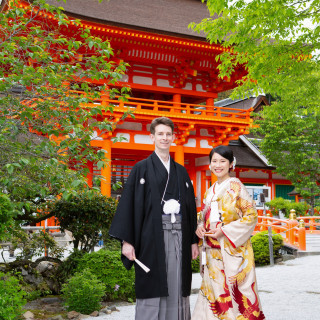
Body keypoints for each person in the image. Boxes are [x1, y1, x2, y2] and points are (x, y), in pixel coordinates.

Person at [109, 117, 199, 320]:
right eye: (160, 134)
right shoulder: (141, 168)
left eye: (168, 134)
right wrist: (127, 241)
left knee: (177, 282)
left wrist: (194, 241)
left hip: (180, 236)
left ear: (174, 137)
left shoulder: (181, 172)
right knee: (151, 280)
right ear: (152, 137)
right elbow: (129, 205)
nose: (165, 138)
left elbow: (189, 207)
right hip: (150, 237)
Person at [192, 145, 265, 320]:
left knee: (235, 293)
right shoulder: (210, 191)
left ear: (231, 164)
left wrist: (223, 231)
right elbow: (203, 217)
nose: (218, 165)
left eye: (222, 161)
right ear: (209, 164)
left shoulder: (237, 187)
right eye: (214, 161)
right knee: (213, 292)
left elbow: (251, 216)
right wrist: (199, 227)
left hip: (232, 251)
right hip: (212, 252)